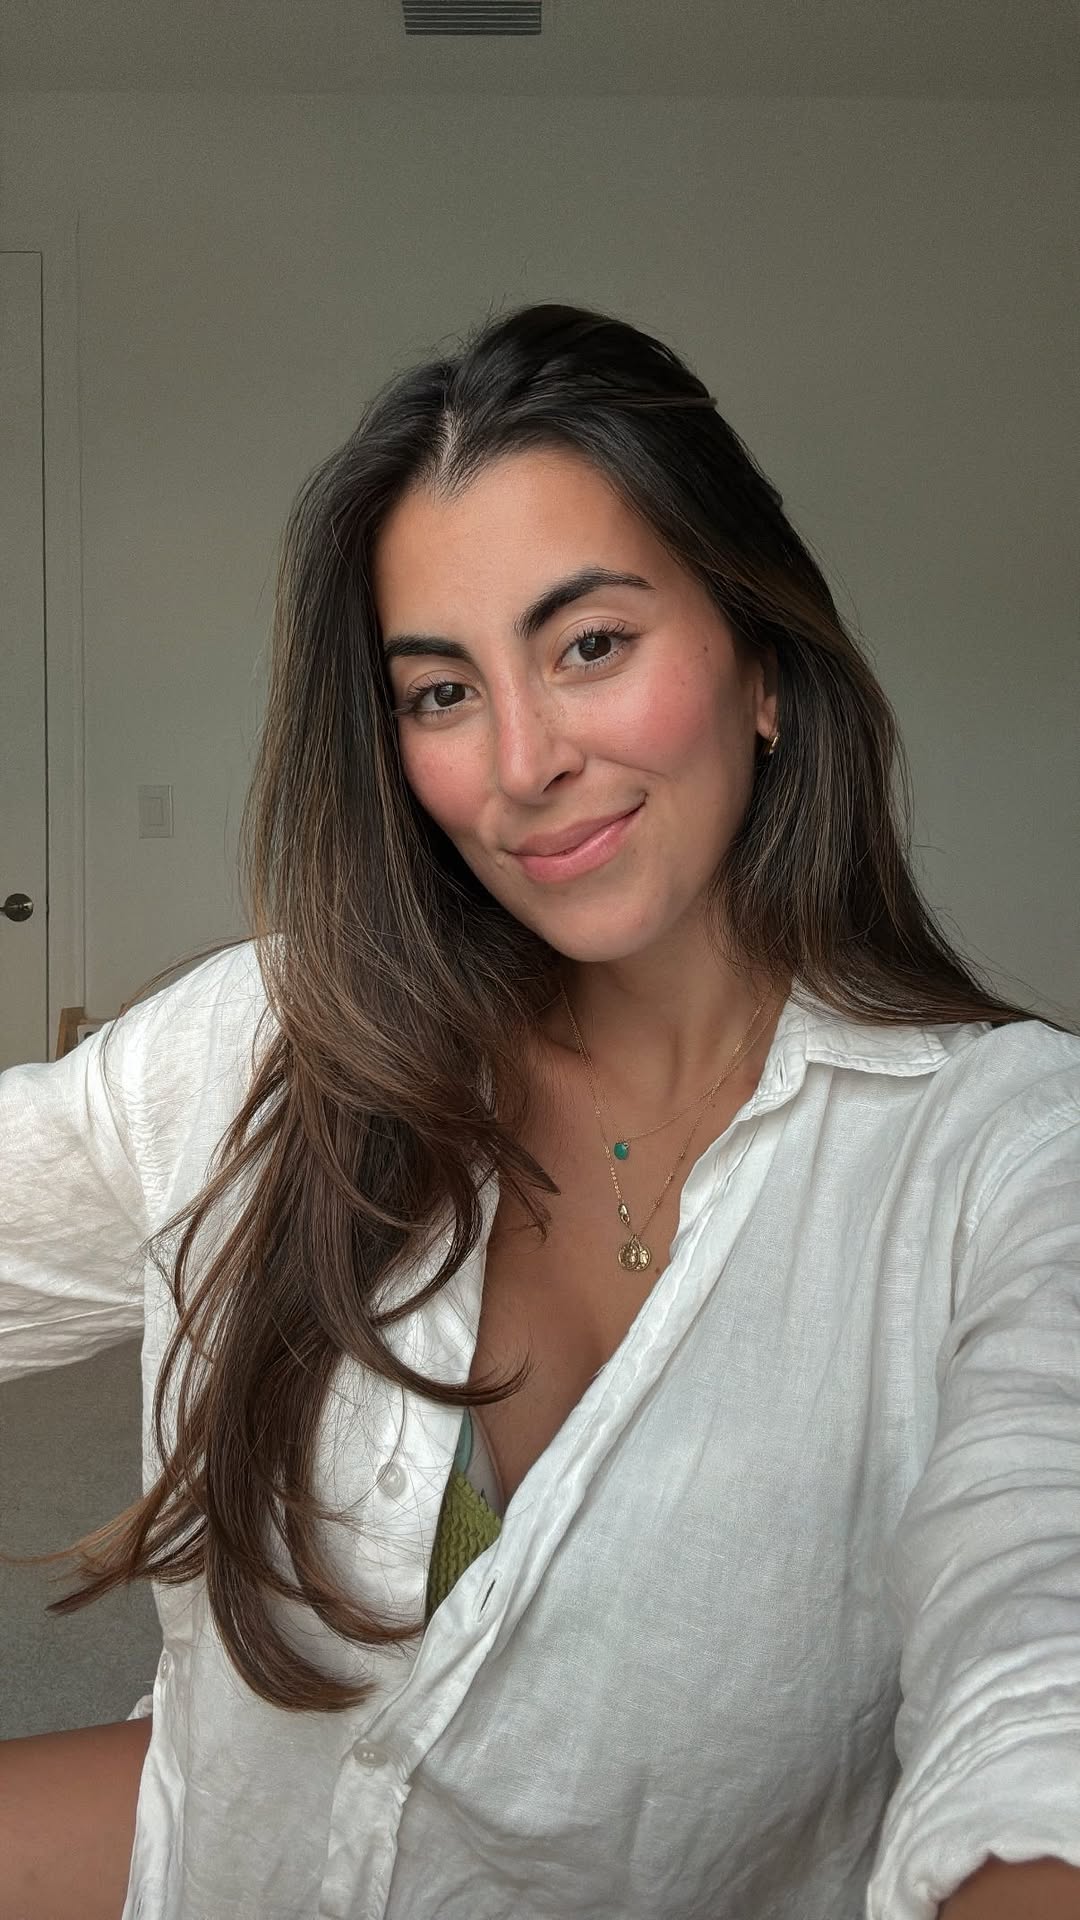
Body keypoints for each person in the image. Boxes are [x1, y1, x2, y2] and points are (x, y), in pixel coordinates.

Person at [1, 302, 1078, 1920]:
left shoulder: (1008, 1154)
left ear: (761, 665)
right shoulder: (282, 1038)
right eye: (442, 692)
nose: (521, 762)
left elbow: (1042, 1669)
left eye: (590, 647)